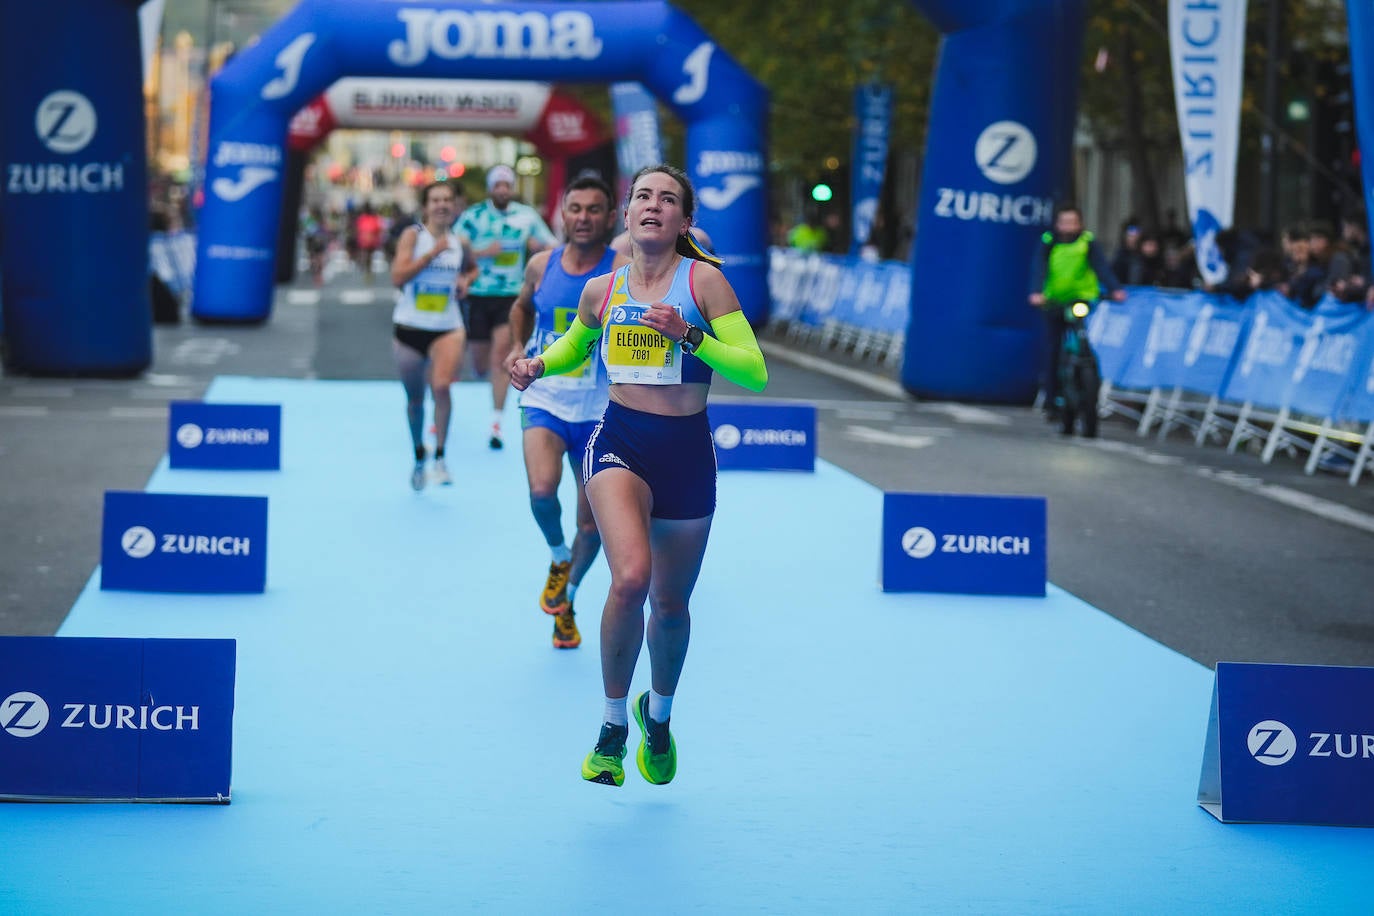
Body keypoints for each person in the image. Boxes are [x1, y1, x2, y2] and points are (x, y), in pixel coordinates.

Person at [510, 164, 768, 788]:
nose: (653, 205)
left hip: (686, 454)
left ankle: (659, 716)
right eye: (643, 196)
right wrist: (538, 364)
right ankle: (611, 726)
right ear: (628, 216)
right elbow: (578, 344)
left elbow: (754, 370)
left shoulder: (703, 283)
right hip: (620, 441)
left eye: (668, 199)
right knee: (630, 578)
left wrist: (691, 337)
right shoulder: (604, 289)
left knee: (671, 604)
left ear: (683, 222)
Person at [504, 175, 630, 650]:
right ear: (562, 213)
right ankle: (559, 558)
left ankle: (568, 595)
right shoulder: (542, 264)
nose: (583, 218)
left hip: (601, 408)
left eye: (594, 209)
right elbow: (520, 308)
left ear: (610, 217)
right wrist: (517, 344)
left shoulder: (623, 270)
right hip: (545, 397)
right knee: (540, 491)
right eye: (575, 208)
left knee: (592, 523)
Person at [457, 164, 557, 450]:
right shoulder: (474, 217)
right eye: (497, 185)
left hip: (511, 295)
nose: (502, 189)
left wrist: (540, 247)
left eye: (506, 185)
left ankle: (496, 422)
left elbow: (554, 245)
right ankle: (483, 376)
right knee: (479, 364)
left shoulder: (526, 217)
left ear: (511, 188)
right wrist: (481, 252)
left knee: (501, 355)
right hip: (478, 294)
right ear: (491, 188)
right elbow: (451, 245)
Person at [389, 180, 478, 490]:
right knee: (415, 400)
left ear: (455, 206)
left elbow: (472, 268)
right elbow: (397, 277)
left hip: (448, 327)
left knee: (441, 387)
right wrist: (431, 255)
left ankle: (440, 456)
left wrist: (466, 280)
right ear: (426, 207)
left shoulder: (461, 242)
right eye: (435, 200)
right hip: (410, 328)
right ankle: (419, 455)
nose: (441, 205)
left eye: (447, 200)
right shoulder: (413, 236)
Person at [1028, 202, 1126, 421]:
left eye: (1073, 222)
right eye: (1064, 222)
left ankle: (1086, 379)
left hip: (1080, 299)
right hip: (1054, 301)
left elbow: (1101, 267)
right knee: (1053, 348)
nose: (1068, 226)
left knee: (1082, 339)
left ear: (1080, 223)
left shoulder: (1087, 242)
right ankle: (1052, 401)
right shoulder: (1049, 241)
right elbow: (1039, 268)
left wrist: (1114, 289)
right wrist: (1036, 292)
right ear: (1057, 224)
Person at [354, 201, 384, 282]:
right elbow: (378, 229)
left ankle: (368, 271)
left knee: (367, 256)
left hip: (366, 241)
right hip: (369, 240)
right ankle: (368, 271)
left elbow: (358, 229)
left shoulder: (364, 218)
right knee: (368, 257)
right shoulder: (372, 218)